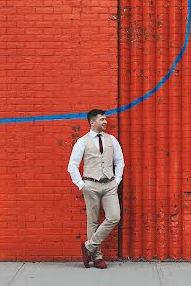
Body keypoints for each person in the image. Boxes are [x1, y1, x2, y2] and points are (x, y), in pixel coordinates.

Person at [68, 109, 125, 269]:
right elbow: (72, 165)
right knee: (92, 221)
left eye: (105, 119)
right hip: (91, 185)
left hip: (109, 184)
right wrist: (82, 185)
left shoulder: (112, 140)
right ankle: (97, 257)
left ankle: (88, 246)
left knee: (114, 216)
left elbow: (119, 162)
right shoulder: (82, 141)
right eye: (102, 119)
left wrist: (117, 181)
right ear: (92, 122)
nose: (105, 122)